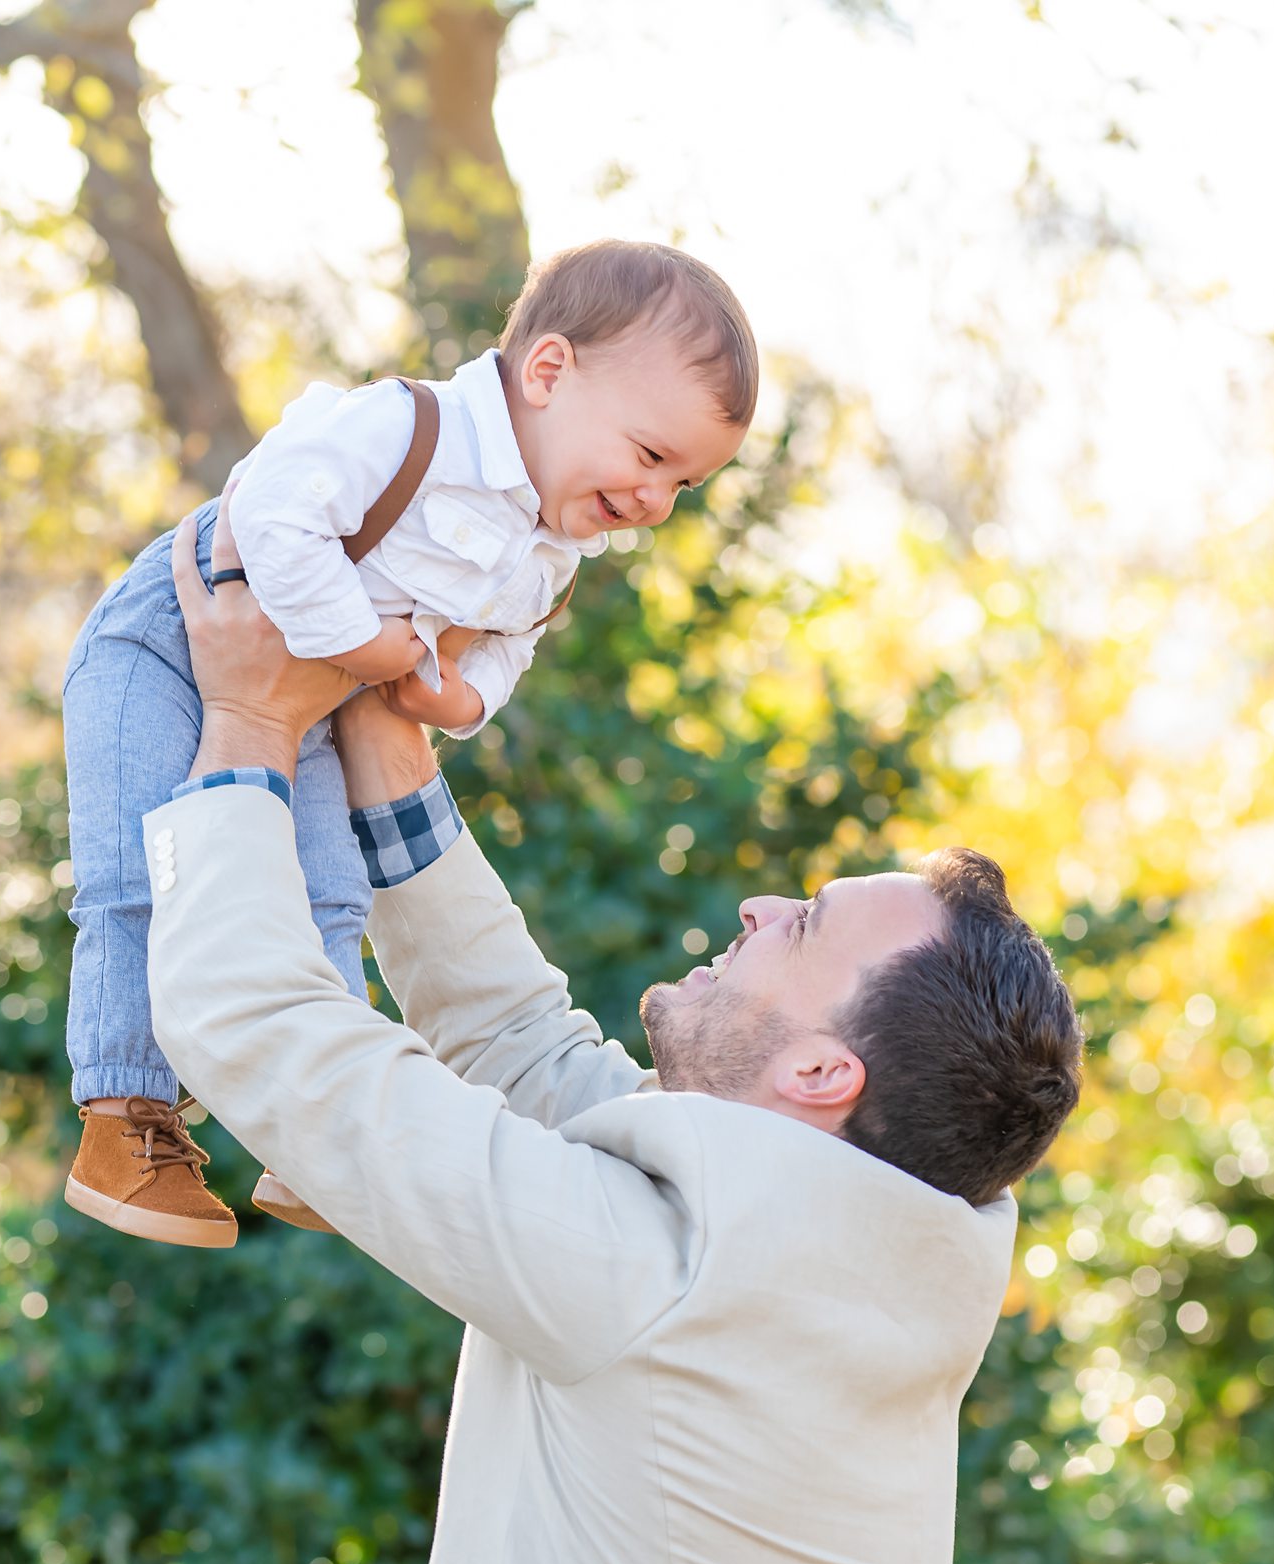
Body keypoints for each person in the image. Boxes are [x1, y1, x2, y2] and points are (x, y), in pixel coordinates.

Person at [136, 522, 1085, 1564]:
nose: (767, 906)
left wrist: (252, 730)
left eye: (811, 923)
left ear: (824, 1069)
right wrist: (392, 762)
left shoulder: (666, 1276)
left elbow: (264, 1032)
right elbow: (531, 1058)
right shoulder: (836, 1251)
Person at [60, 241, 757, 1249]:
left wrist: (459, 697)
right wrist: (361, 639)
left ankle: (316, 1130)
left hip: (313, 696)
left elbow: (507, 650)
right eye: (650, 456)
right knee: (135, 876)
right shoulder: (408, 427)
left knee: (330, 890)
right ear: (550, 372)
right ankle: (127, 1118)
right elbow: (272, 505)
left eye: (683, 485)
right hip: (174, 636)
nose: (653, 501)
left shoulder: (550, 554)